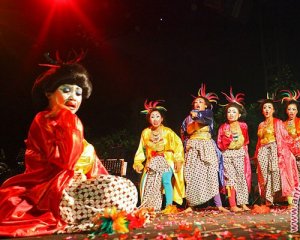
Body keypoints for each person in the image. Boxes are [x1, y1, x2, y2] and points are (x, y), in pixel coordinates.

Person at [0, 53, 138, 237]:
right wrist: (69, 121)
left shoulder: (73, 126)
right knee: (117, 191)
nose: (73, 97)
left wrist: (102, 184)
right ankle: (76, 216)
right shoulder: (44, 120)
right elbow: (64, 161)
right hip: (51, 192)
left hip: (77, 190)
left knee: (125, 187)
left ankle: (90, 212)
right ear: (49, 93)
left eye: (78, 93)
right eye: (66, 90)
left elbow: (96, 169)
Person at [181, 83, 228, 212]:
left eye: (200, 102)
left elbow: (204, 121)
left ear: (206, 105)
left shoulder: (208, 114)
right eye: (195, 102)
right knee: (191, 175)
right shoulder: (187, 119)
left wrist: (196, 117)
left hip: (206, 146)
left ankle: (219, 205)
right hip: (193, 147)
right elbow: (185, 133)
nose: (197, 104)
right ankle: (190, 205)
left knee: (211, 174)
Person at [133, 100, 185, 212]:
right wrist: (138, 162)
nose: (155, 119)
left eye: (158, 116)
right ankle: (152, 206)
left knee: (166, 179)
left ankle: (169, 206)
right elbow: (141, 150)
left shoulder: (168, 132)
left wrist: (178, 160)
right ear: (149, 119)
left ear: (162, 119)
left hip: (167, 160)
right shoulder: (145, 133)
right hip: (152, 162)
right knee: (149, 183)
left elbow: (178, 145)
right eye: (152, 117)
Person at [254, 98, 300, 207]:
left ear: (273, 110)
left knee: (278, 174)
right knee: (265, 176)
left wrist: (296, 151)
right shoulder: (261, 124)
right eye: (264, 108)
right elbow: (258, 142)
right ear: (262, 111)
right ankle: (268, 200)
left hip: (275, 149)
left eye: (269, 107)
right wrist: (256, 155)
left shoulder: (278, 122)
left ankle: (287, 201)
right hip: (263, 151)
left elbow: (286, 137)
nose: (267, 110)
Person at [217, 88, 251, 212]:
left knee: (241, 177)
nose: (231, 114)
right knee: (230, 179)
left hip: (240, 153)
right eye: (229, 112)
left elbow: (246, 141)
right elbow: (219, 143)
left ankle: (243, 203)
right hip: (227, 154)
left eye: (233, 112)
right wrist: (227, 143)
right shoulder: (223, 127)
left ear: (239, 114)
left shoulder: (243, 126)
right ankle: (232, 205)